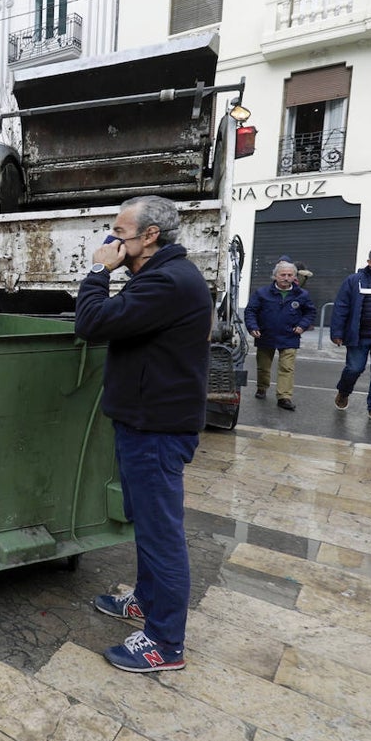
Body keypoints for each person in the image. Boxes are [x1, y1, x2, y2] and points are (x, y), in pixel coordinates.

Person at [74, 196, 210, 674]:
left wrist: (97, 274)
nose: (111, 241)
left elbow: (91, 323)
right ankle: (146, 602)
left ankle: (165, 642)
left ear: (149, 236)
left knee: (160, 536)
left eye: (118, 233)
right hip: (144, 421)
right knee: (148, 527)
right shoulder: (159, 277)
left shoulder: (169, 281)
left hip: (156, 428)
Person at [244, 261, 316, 410]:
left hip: (290, 336)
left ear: (295, 277)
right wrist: (252, 327)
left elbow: (310, 312)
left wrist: (302, 326)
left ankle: (284, 397)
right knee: (263, 367)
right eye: (283, 275)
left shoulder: (302, 295)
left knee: (287, 368)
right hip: (265, 335)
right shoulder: (261, 293)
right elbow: (251, 311)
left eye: (290, 275)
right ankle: (262, 387)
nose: (286, 278)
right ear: (275, 276)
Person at [330, 245, 371, 421]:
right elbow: (341, 307)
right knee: (354, 369)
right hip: (359, 336)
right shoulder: (354, 280)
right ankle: (343, 393)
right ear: (369, 262)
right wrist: (337, 332)